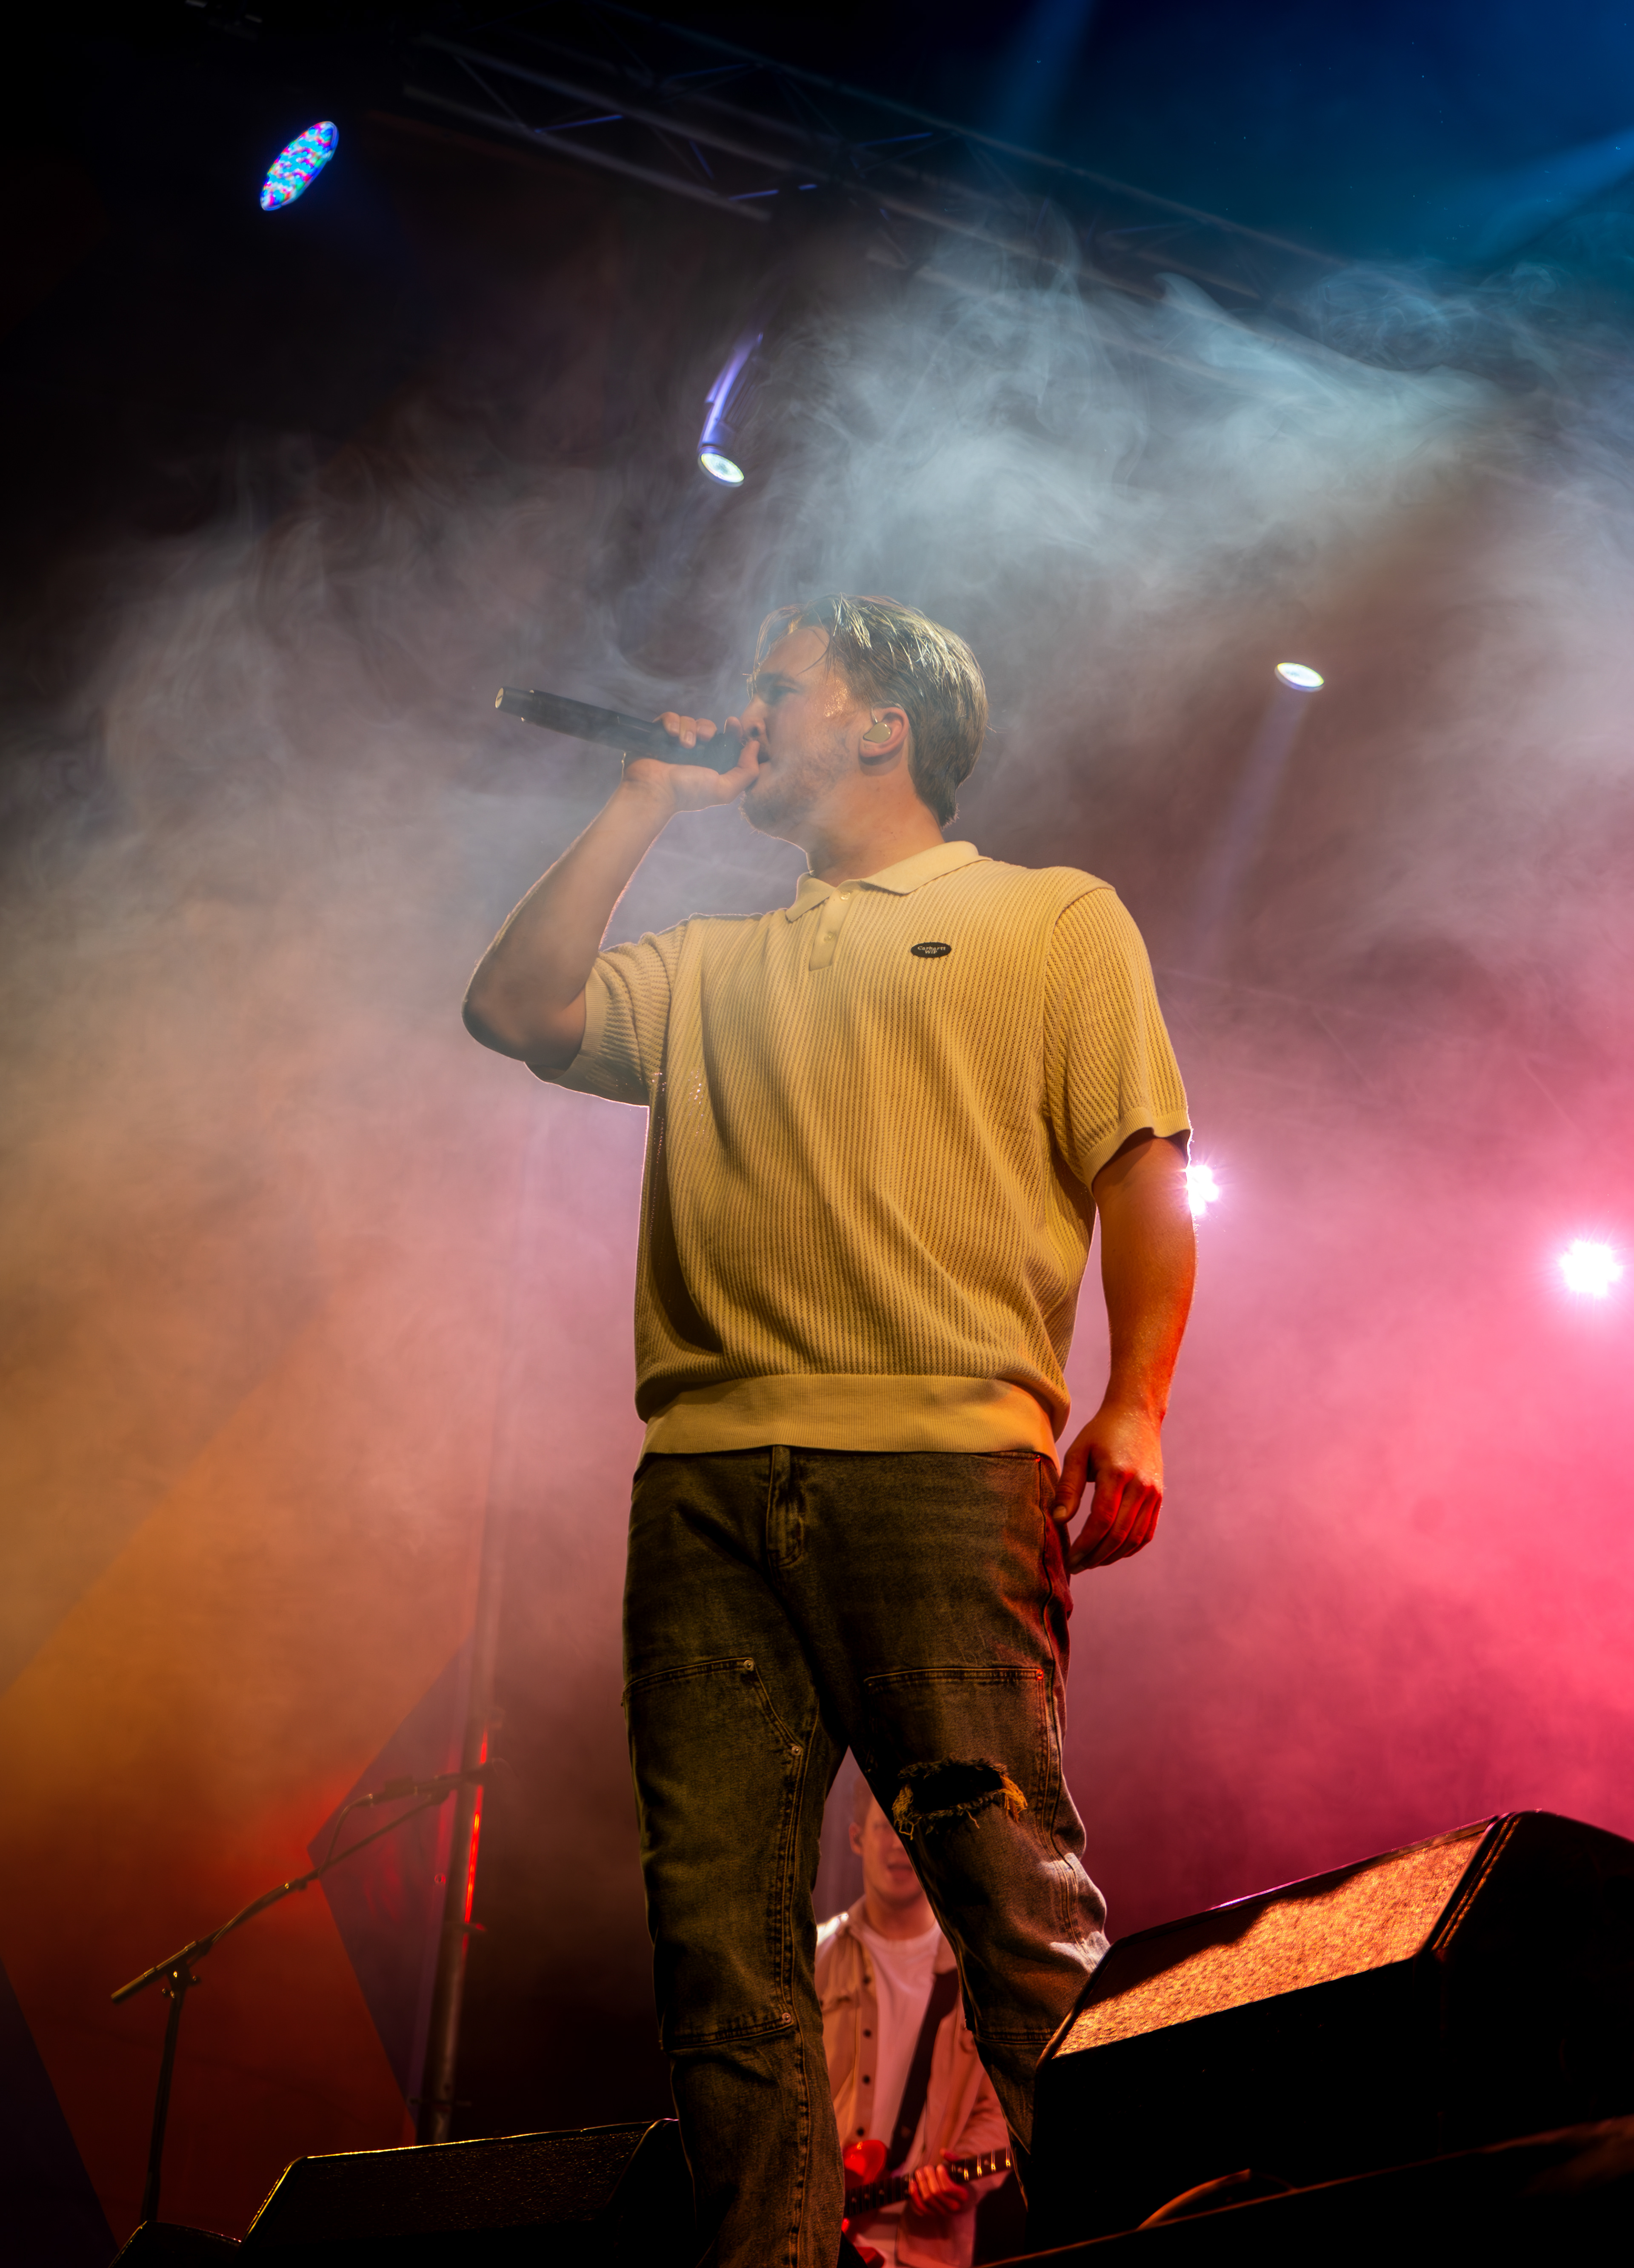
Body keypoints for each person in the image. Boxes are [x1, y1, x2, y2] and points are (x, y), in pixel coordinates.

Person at [463, 593, 1195, 2268]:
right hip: (706, 1484)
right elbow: (516, 1009)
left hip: (943, 1463)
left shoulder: (1049, 916)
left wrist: (1138, 1401)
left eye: (778, 689)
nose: (748, 715)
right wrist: (641, 800)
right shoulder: (711, 965)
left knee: (1015, 1908)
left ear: (883, 724)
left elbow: (1143, 1175)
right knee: (722, 1953)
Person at [819, 1778, 1010, 2267]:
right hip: (822, 2250)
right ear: (857, 1837)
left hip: (930, 2252)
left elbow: (1000, 2109)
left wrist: (963, 2174)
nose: (898, 1842)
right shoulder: (811, 1959)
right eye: (885, 1826)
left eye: (909, 1827)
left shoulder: (979, 1973)